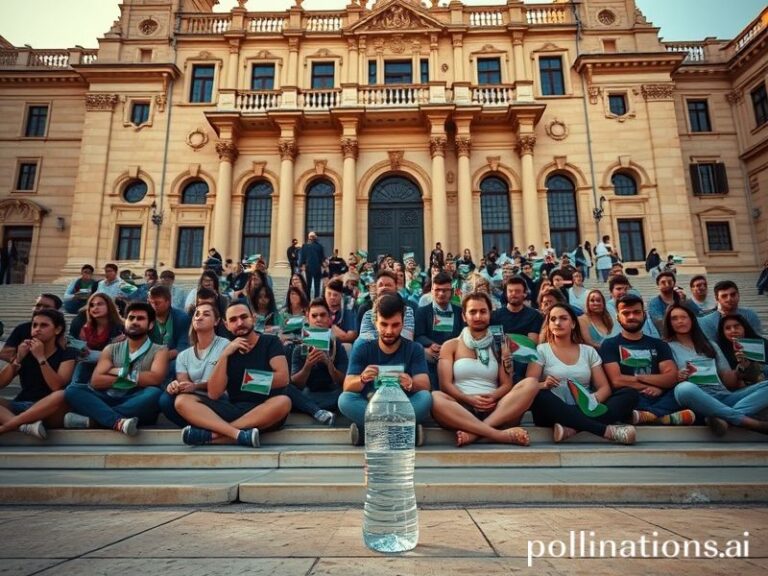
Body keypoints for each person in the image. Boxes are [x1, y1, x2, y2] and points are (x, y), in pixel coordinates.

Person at [174, 302, 292, 447]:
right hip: (235, 409)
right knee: (182, 401)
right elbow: (214, 393)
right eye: (233, 320)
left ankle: (216, 435)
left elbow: (283, 379)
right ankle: (239, 435)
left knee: (283, 402)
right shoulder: (227, 349)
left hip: (265, 409)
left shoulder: (270, 342)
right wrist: (224, 356)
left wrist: (248, 380)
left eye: (244, 317)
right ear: (226, 324)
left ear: (253, 318)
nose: (240, 323)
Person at [431, 292, 536, 446]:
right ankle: (498, 435)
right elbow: (445, 385)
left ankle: (475, 434)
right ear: (464, 316)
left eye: (483, 311)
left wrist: (493, 397)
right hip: (461, 408)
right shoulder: (451, 345)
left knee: (531, 383)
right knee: (434, 397)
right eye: (473, 312)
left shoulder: (501, 343)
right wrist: (468, 399)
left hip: (495, 409)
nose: (478, 317)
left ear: (489, 314)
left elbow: (507, 384)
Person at [526, 303, 639, 444]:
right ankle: (607, 431)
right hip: (553, 410)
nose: (557, 323)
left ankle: (572, 428)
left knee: (629, 394)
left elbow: (604, 388)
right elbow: (528, 386)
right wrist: (544, 384)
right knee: (540, 396)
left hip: (585, 407)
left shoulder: (588, 351)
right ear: (548, 324)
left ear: (573, 324)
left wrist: (591, 401)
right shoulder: (541, 350)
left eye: (563, 318)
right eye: (553, 319)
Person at [339, 294, 432, 446]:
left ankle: (368, 433)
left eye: (395, 325)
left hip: (403, 404)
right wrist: (362, 379)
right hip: (372, 404)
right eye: (384, 324)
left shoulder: (414, 348)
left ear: (403, 323)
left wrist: (411, 383)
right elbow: (347, 386)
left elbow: (425, 385)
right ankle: (404, 433)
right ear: (375, 322)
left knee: (425, 398)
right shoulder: (362, 348)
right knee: (345, 400)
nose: (389, 331)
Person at [64, 302, 169, 435]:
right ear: (125, 322)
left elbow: (154, 378)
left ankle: (98, 417)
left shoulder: (159, 350)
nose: (135, 322)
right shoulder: (111, 349)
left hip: (136, 400)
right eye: (131, 318)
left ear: (151, 325)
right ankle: (117, 421)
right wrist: (136, 378)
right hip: (107, 397)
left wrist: (117, 371)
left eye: (140, 318)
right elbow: (97, 380)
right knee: (73, 390)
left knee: (154, 393)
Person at [665, 304, 768, 436]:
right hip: (697, 397)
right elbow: (667, 376)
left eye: (684, 317)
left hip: (723, 396)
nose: (680, 321)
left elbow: (729, 381)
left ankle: (724, 418)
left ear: (692, 319)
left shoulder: (710, 344)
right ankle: (749, 422)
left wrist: (742, 366)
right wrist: (677, 376)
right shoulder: (666, 346)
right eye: (674, 318)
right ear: (669, 323)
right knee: (683, 389)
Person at [600, 294, 693, 426]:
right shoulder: (610, 344)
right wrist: (655, 384)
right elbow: (617, 381)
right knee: (626, 396)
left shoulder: (659, 344)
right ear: (618, 317)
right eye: (626, 313)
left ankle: (648, 415)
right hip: (632, 397)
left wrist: (653, 385)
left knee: (682, 388)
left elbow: (671, 377)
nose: (632, 317)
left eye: (636, 312)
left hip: (660, 397)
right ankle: (662, 417)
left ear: (644, 314)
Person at [0, 309, 77, 439]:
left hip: (48, 410)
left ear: (57, 330)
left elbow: (56, 386)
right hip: (21, 404)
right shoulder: (25, 353)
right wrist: (17, 359)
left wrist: (41, 358)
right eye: (34, 325)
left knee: (61, 394)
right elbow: (1, 383)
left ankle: (8, 426)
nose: (37, 329)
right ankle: (24, 427)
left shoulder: (67, 353)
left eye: (44, 325)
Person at [158, 302, 230, 427]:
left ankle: (209, 428)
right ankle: (197, 427)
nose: (199, 317)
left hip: (219, 397)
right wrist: (175, 386)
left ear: (216, 321)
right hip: (193, 398)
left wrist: (196, 386)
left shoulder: (225, 345)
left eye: (206, 314)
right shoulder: (183, 355)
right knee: (165, 399)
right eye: (197, 314)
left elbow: (225, 383)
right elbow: (185, 384)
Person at [287, 298, 348, 425]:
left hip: (332, 395)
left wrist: (328, 364)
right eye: (314, 316)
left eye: (322, 315)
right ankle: (318, 412)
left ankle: (314, 409)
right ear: (308, 319)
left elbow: (343, 381)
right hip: (308, 395)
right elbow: (296, 384)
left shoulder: (337, 346)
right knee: (285, 388)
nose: (318, 319)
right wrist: (308, 365)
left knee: (348, 395)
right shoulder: (299, 349)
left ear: (329, 319)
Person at [414, 272, 465, 390]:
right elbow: (418, 335)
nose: (441, 293)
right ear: (431, 290)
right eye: (437, 289)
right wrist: (430, 345)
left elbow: (464, 335)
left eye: (445, 290)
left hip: (455, 360)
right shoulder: (422, 312)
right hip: (432, 358)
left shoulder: (460, 312)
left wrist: (449, 349)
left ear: (451, 292)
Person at [492, 277, 544, 382]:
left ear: (524, 294)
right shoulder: (495, 315)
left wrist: (508, 340)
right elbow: (495, 344)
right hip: (500, 358)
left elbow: (530, 344)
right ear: (506, 293)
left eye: (517, 291)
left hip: (524, 359)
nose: (513, 294)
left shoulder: (534, 315)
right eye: (510, 291)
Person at [68, 293, 125, 386]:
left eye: (100, 304)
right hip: (86, 365)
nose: (95, 308)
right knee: (76, 380)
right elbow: (73, 344)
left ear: (109, 306)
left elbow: (118, 357)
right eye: (92, 305)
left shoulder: (121, 327)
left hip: (111, 368)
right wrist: (80, 349)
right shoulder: (84, 328)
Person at [0, 293, 63, 362]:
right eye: (38, 305)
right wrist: (21, 355)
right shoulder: (22, 328)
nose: (41, 309)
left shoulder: (61, 335)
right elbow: (4, 354)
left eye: (47, 307)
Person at [357, 270, 416, 341]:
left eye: (388, 285)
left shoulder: (407, 309)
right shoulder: (366, 311)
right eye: (380, 285)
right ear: (376, 289)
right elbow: (364, 340)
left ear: (396, 287)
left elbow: (406, 338)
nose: (384, 288)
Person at [148, 285, 191, 379]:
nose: (153, 306)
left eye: (157, 303)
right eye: (151, 302)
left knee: (176, 364)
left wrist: (159, 358)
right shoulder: (146, 317)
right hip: (147, 360)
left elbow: (183, 348)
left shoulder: (182, 318)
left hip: (171, 359)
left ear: (168, 301)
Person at [698, 280, 763, 341]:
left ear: (738, 295)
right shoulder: (707, 321)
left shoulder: (750, 314)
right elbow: (712, 346)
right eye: (724, 296)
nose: (729, 299)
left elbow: (757, 340)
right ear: (717, 299)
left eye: (733, 294)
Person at [716, 314, 768, 386]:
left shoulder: (761, 344)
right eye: (728, 328)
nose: (733, 330)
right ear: (723, 332)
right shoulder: (719, 351)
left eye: (736, 326)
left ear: (744, 327)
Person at [324, 279, 357, 344]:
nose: (331, 297)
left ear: (342, 295)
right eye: (329, 294)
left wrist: (332, 327)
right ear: (324, 293)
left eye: (335, 295)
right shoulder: (319, 305)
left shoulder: (349, 306)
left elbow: (351, 337)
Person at [299, 231, 326, 298]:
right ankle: (315, 299)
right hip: (315, 267)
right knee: (315, 285)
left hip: (310, 267)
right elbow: (322, 257)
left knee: (310, 284)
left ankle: (310, 299)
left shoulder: (305, 246)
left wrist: (301, 265)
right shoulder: (319, 246)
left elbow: (303, 257)